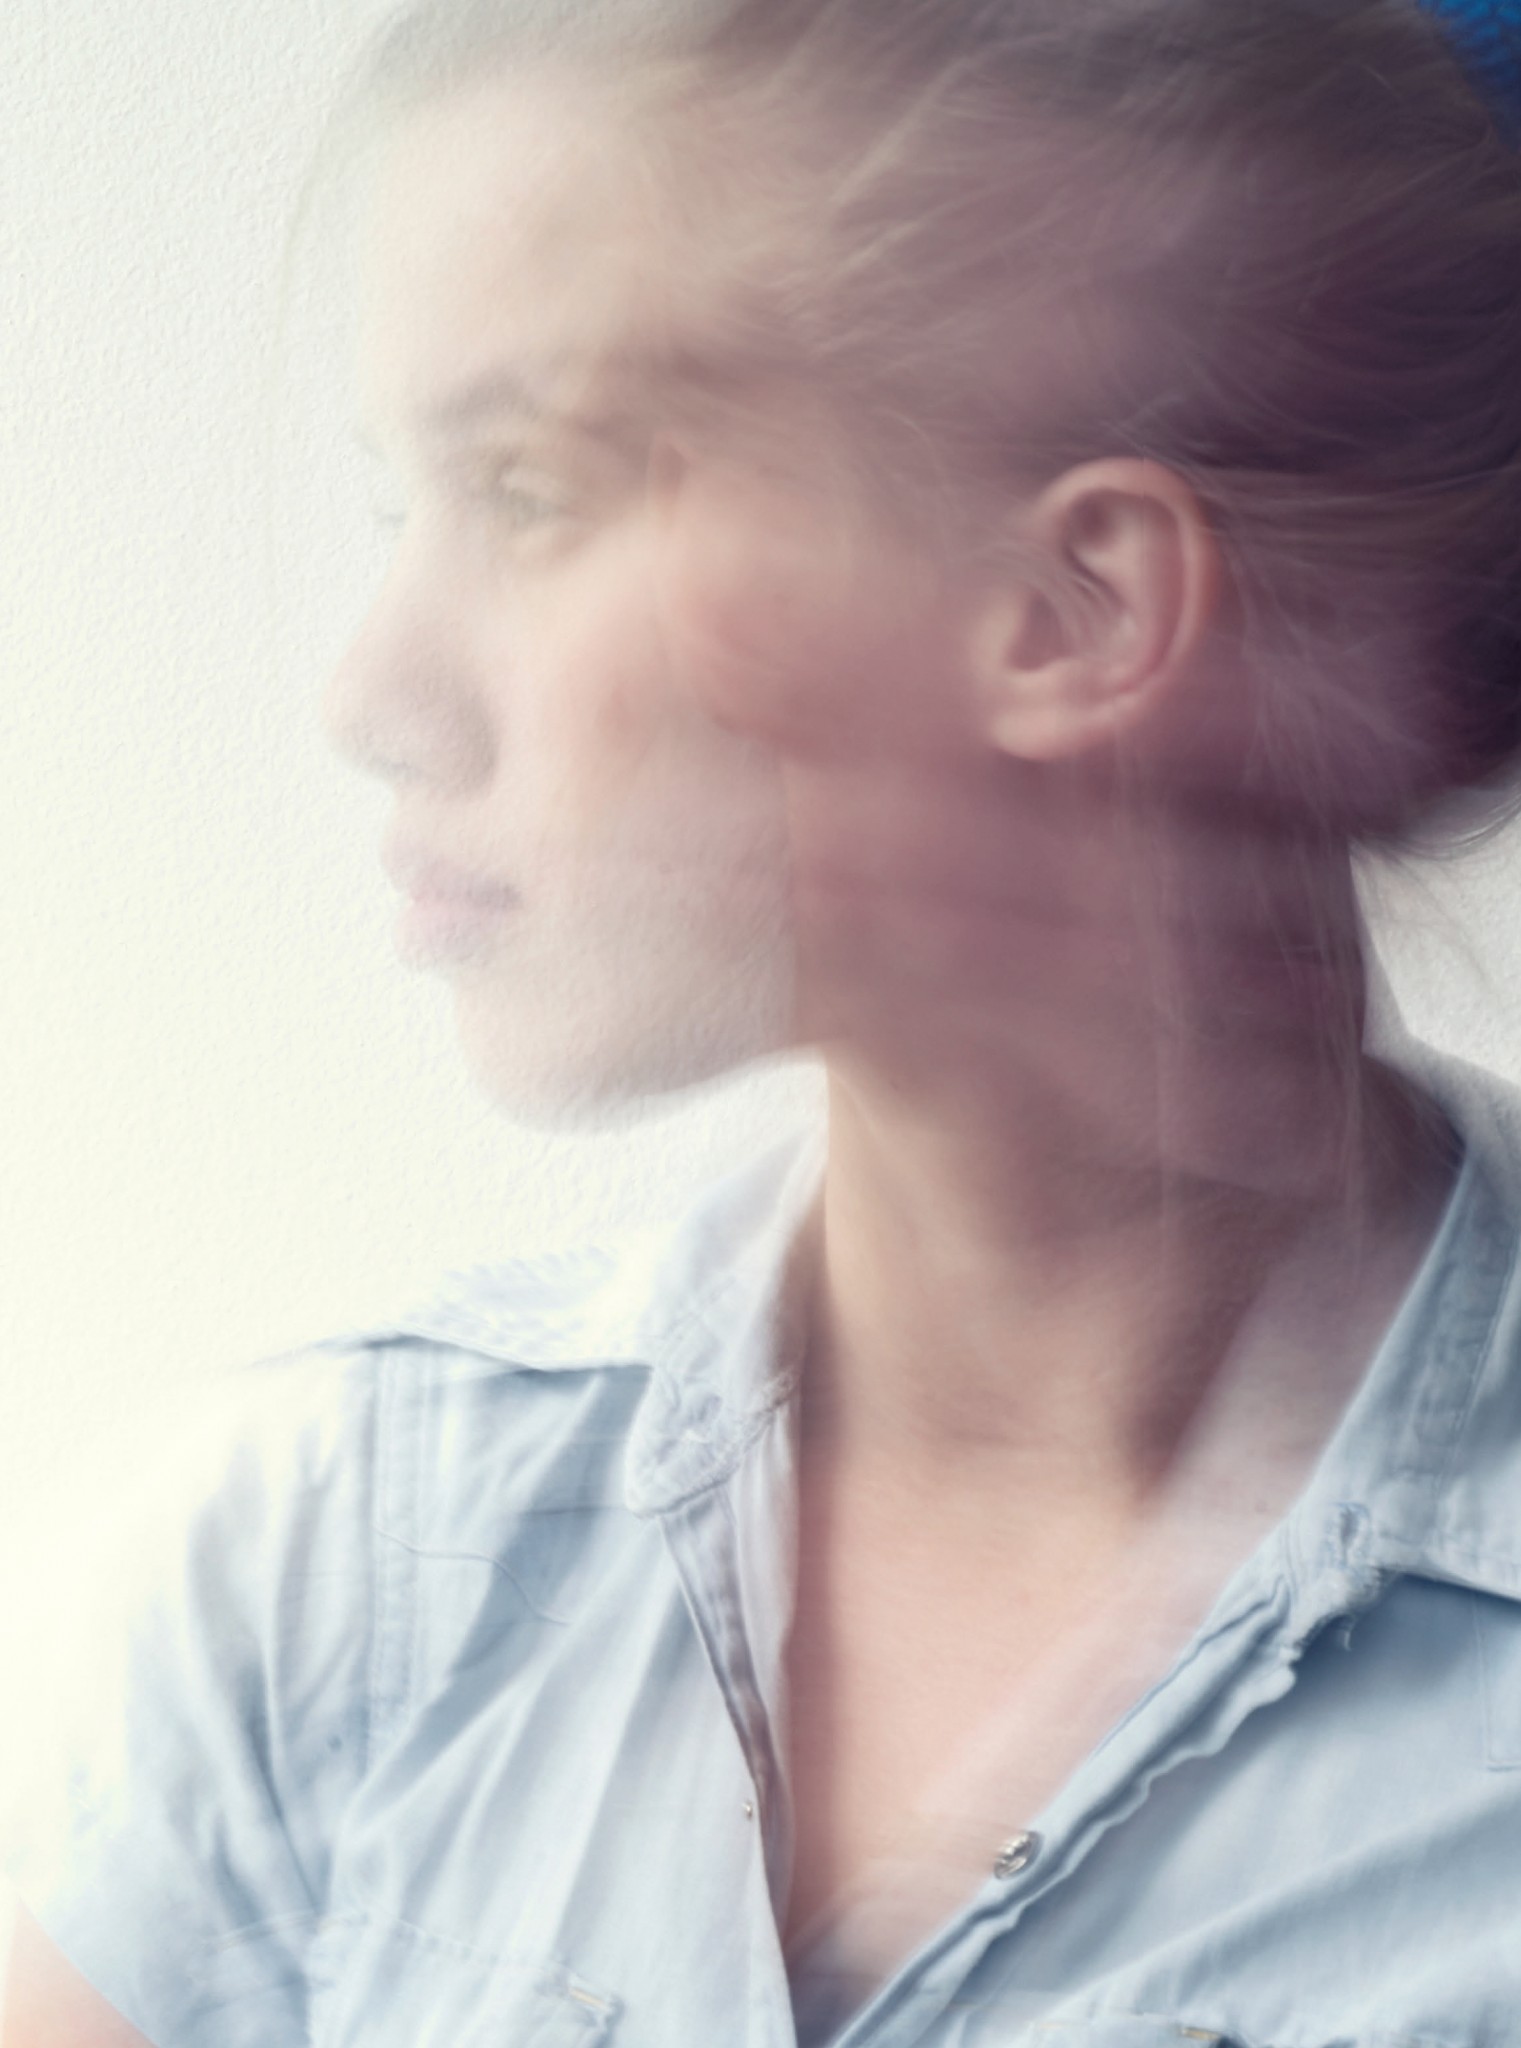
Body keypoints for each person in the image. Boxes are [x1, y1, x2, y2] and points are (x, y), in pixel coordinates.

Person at [6, 0, 1521, 2042]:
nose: (369, 693)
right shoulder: (326, 1568)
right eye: (398, 504)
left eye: (527, 492)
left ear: (1073, 608)